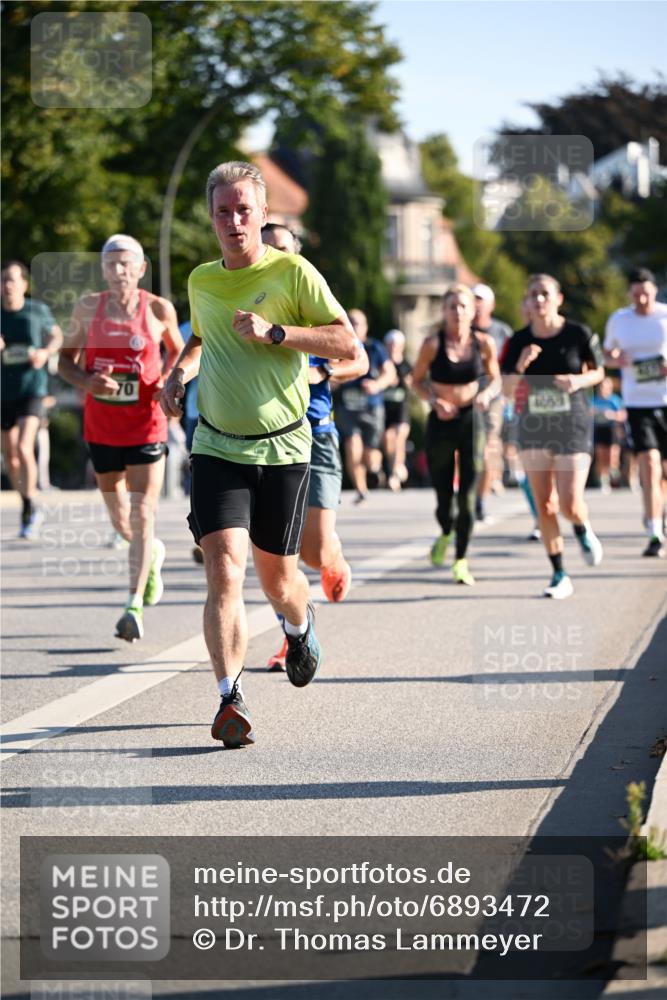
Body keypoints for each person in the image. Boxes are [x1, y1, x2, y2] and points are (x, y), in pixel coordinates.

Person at [159, 161, 356, 748]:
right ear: (212, 217)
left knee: (279, 582)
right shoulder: (201, 279)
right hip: (217, 445)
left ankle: (298, 626)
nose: (234, 221)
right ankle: (228, 698)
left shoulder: (294, 273)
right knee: (223, 571)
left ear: (264, 215)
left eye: (245, 210)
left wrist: (277, 333)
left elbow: (346, 341)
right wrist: (179, 373)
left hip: (285, 448)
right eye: (224, 211)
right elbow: (201, 337)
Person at [58, 235, 183, 640]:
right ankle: (152, 555)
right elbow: (64, 362)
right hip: (102, 428)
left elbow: (179, 354)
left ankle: (133, 605)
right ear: (103, 270)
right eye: (111, 264)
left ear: (141, 268)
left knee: (143, 511)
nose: (118, 271)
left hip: (147, 424)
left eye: (126, 264)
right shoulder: (87, 309)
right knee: (120, 517)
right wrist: (87, 381)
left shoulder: (159, 309)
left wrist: (166, 381)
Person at [260, 222, 369, 670]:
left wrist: (324, 373)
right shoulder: (245, 302)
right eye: (268, 250)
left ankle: (334, 554)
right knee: (275, 554)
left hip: (317, 435)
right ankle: (294, 633)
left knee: (314, 552)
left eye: (283, 250)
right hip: (268, 438)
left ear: (297, 255)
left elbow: (358, 358)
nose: (275, 258)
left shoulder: (314, 299)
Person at [502, 274, 605, 598]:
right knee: (545, 504)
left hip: (571, 423)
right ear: (527, 302)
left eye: (545, 294)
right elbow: (505, 390)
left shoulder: (578, 334)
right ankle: (559, 573)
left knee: (570, 503)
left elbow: (598, 371)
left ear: (558, 298)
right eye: (533, 295)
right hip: (533, 426)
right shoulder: (518, 341)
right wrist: (520, 365)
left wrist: (578, 381)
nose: (539, 300)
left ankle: (581, 525)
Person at [412, 284, 500, 586]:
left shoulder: (484, 343)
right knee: (443, 499)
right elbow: (416, 381)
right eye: (452, 306)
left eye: (463, 306)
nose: (458, 312)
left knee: (468, 497)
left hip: (470, 418)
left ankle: (461, 560)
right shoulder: (432, 344)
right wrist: (434, 401)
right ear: (444, 311)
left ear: (473, 311)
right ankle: (446, 531)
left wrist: (487, 394)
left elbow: (495, 379)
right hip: (440, 420)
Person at [604, 268, 667, 557]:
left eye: (647, 293)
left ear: (655, 292)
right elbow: (607, 355)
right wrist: (616, 359)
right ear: (630, 294)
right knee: (650, 465)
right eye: (636, 294)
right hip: (637, 402)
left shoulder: (665, 316)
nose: (642, 299)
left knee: (664, 473)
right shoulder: (619, 320)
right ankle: (654, 530)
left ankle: (658, 511)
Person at [1, 260, 63, 537]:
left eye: (13, 280)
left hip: (32, 389)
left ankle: (29, 509)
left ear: (24, 284)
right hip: (4, 392)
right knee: (10, 456)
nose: (7, 285)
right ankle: (28, 503)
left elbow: (56, 336)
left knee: (25, 447)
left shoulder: (36, 311)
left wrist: (45, 352)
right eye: (3, 280)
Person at [334, 309, 395, 503]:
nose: (353, 326)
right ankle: (361, 489)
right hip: (348, 407)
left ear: (366, 327)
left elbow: (390, 373)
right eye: (350, 322)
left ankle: (374, 469)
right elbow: (329, 373)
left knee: (370, 453)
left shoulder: (375, 347)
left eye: (358, 323)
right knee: (352, 445)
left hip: (372, 407)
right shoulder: (338, 346)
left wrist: (377, 385)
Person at [472, 283, 512, 522]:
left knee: (488, 447)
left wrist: (504, 391)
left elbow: (509, 368)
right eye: (473, 299)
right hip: (463, 397)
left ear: (491, 305)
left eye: (481, 300)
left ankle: (481, 499)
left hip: (492, 398)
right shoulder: (460, 329)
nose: (476, 304)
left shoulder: (501, 331)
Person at [382, 329, 413, 491]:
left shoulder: (405, 365)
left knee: (399, 438)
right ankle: (397, 464)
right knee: (388, 439)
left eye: (396, 345)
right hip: (386, 410)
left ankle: (394, 474)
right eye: (390, 344)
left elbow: (413, 384)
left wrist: (401, 379)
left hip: (402, 410)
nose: (393, 347)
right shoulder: (383, 363)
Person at [591, 377, 626, 493]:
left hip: (612, 429)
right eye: (600, 387)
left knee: (612, 456)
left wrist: (612, 415)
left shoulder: (614, 400)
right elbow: (586, 413)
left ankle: (615, 476)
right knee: (601, 455)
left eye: (604, 387)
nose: (601, 389)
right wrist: (593, 413)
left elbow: (623, 415)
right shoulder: (594, 399)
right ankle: (603, 479)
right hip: (598, 429)